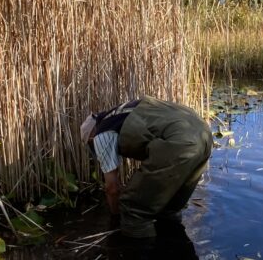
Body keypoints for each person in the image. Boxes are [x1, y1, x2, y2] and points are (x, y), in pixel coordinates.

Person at [80, 96, 212, 238]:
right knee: (168, 207)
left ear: (91, 138)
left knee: (133, 209)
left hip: (180, 144)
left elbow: (112, 188)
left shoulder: (101, 134)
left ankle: (143, 256)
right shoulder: (122, 111)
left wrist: (116, 217)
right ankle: (173, 249)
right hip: (204, 134)